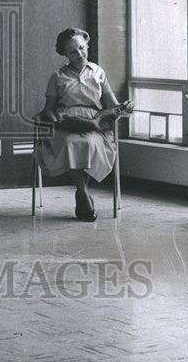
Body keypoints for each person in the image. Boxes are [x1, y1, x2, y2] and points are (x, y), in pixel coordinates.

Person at [34, 27, 132, 222]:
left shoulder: (98, 73)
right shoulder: (58, 76)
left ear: (87, 45)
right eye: (72, 51)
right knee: (71, 143)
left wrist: (126, 106)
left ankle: (82, 194)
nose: (79, 54)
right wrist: (57, 123)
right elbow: (48, 109)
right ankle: (84, 195)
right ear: (65, 54)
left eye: (81, 48)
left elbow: (112, 105)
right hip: (66, 124)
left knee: (88, 144)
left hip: (93, 124)